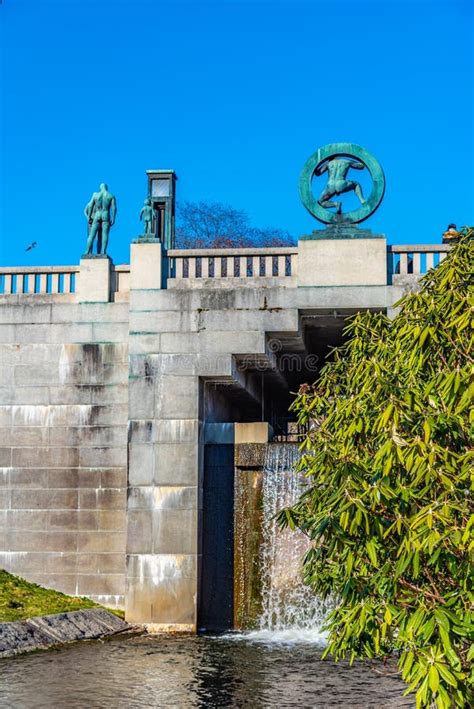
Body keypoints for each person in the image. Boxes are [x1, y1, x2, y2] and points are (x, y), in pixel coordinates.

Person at [84, 183, 117, 255]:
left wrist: (89, 217)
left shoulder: (95, 195)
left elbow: (90, 206)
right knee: (104, 234)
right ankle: (103, 251)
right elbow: (114, 208)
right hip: (105, 214)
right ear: (106, 188)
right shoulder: (110, 195)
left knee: (92, 235)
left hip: (97, 214)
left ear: (100, 188)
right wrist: (113, 218)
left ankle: (86, 251)